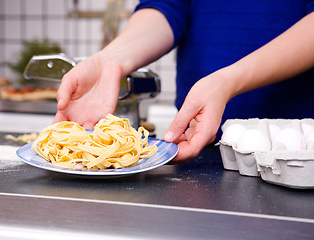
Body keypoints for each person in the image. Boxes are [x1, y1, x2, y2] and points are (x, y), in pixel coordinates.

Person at [54, 0, 314, 163]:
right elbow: (167, 7)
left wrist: (228, 81)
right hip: (199, 150)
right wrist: (111, 61)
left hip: (296, 156)